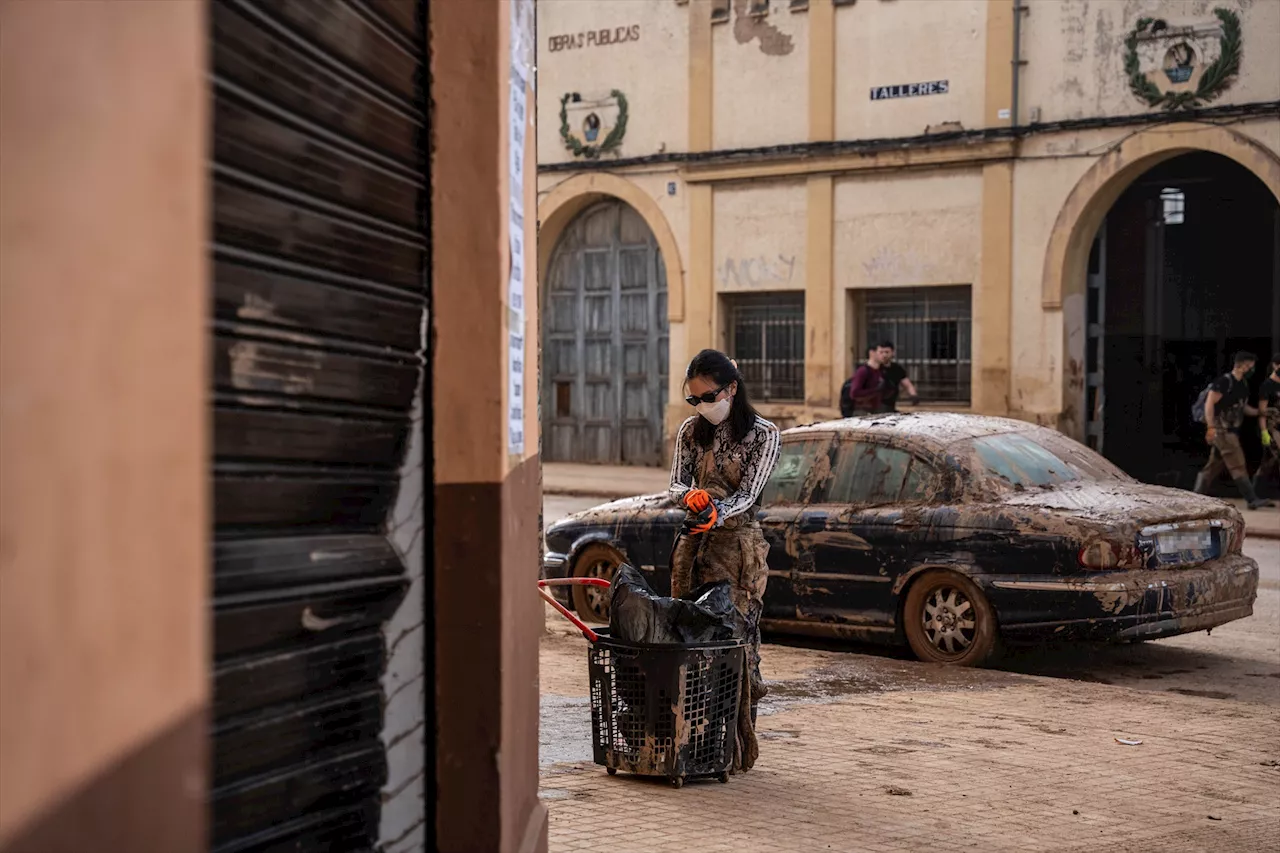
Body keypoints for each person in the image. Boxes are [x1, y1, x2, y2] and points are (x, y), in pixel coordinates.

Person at [668, 349, 781, 772]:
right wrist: (689, 497)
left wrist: (718, 511)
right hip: (692, 546)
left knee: (738, 643)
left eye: (708, 397)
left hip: (738, 552)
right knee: (689, 639)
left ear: (732, 388)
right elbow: (675, 483)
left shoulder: (763, 435)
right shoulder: (689, 432)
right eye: (694, 400)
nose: (701, 406)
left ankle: (736, 748)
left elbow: (749, 494)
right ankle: (696, 742)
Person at [1194, 351, 1274, 509]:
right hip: (1222, 431)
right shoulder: (1224, 382)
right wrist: (1210, 427)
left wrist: (1261, 412)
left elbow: (1242, 408)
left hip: (1228, 430)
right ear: (1242, 365)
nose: (1252, 369)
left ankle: (1194, 497)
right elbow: (1209, 404)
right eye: (1250, 366)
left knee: (1212, 467)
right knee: (1237, 464)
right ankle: (1252, 499)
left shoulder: (1242, 384)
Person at [1252, 353, 1280, 491]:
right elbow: (1262, 411)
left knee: (1267, 463)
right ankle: (1254, 495)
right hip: (1272, 427)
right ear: (1275, 365)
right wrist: (1264, 431)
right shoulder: (1267, 385)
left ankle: (1255, 494)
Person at [840, 344, 886, 416]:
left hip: (875, 411)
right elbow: (854, 393)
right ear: (872, 353)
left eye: (885, 352)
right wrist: (875, 390)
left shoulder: (880, 371)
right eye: (881, 352)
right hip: (861, 412)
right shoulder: (863, 371)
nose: (884, 355)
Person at [877, 341, 920, 412]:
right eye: (881, 352)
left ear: (893, 352)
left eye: (887, 352)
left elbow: (907, 384)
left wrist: (913, 395)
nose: (884, 355)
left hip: (890, 405)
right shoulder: (873, 368)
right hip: (876, 405)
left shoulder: (896, 368)